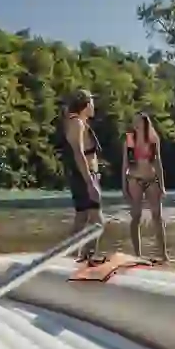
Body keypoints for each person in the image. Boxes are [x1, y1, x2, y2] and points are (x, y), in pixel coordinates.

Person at [59, 89, 104, 260]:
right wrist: (90, 182)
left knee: (82, 218)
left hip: (85, 175)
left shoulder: (79, 122)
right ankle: (88, 257)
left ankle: (73, 257)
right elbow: (78, 153)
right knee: (97, 221)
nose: (94, 106)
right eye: (92, 102)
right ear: (85, 105)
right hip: (84, 176)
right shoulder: (76, 123)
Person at [122, 112, 169, 261]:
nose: (136, 124)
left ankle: (163, 254)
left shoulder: (153, 139)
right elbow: (125, 164)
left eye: (139, 122)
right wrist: (124, 186)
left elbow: (158, 163)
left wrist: (162, 185)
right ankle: (137, 255)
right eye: (134, 122)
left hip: (151, 179)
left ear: (145, 123)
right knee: (136, 216)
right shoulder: (130, 139)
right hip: (134, 179)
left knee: (157, 216)